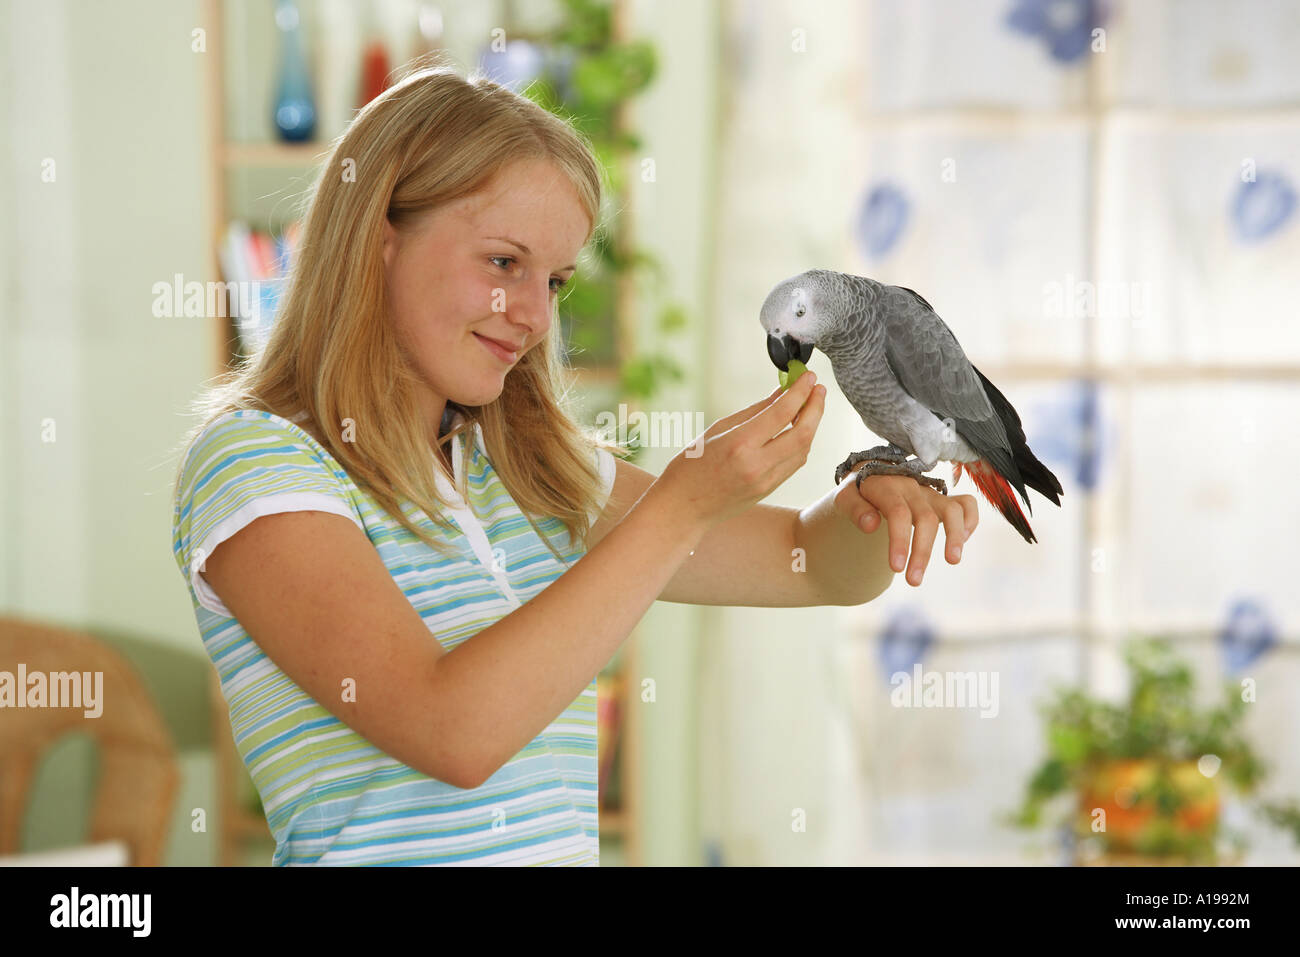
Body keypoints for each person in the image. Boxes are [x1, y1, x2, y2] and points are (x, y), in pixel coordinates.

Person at [169, 60, 978, 866]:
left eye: (554, 281)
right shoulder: (259, 461)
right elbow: (454, 733)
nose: (530, 315)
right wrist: (681, 506)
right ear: (379, 238)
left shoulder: (523, 468)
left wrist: (881, 498)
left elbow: (811, 568)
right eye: (502, 263)